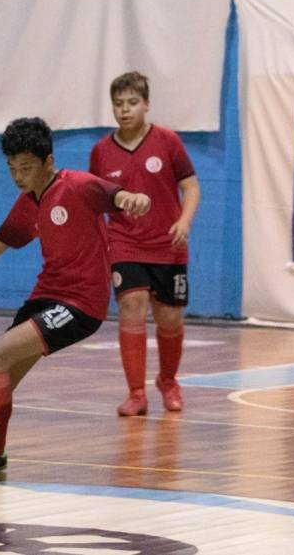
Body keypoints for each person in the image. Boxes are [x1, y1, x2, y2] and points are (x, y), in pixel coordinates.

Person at [0, 117, 150, 473]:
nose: (18, 176)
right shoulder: (28, 202)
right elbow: (1, 240)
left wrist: (132, 197)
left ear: (48, 163)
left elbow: (115, 194)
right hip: (46, 297)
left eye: (26, 167)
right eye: (12, 168)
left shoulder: (76, 186)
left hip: (81, 304)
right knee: (2, 376)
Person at [89, 71, 200, 416]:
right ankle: (136, 393)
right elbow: (97, 201)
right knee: (132, 306)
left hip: (168, 245)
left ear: (146, 105)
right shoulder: (101, 152)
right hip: (125, 243)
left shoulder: (168, 141)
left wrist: (183, 222)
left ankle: (168, 381)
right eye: (118, 104)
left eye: (132, 103)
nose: (125, 110)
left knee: (168, 318)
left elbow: (191, 186)